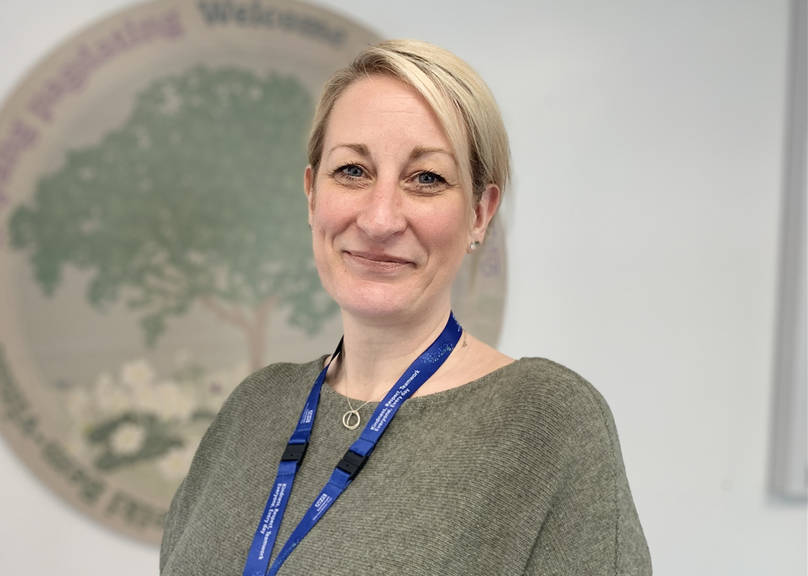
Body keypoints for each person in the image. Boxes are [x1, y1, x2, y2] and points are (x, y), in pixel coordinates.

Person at [160, 39, 651, 576]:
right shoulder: (253, 408)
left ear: (481, 213)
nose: (379, 219)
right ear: (311, 195)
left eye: (426, 179)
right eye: (352, 171)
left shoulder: (546, 422)